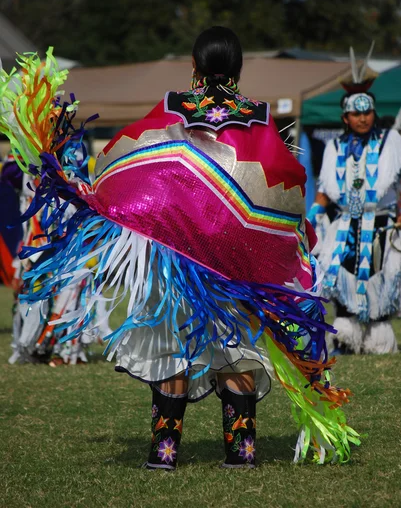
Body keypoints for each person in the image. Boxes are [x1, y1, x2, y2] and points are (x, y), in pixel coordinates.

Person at [0, 31, 358, 469]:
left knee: (171, 341)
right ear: (240, 67)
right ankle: (241, 452)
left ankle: (164, 453)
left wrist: (100, 193)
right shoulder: (258, 116)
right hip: (235, 257)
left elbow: (131, 157)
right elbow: (283, 183)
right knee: (237, 345)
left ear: (194, 64)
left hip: (175, 253)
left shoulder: (173, 109)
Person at [308, 49, 401, 354]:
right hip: (345, 225)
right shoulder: (334, 146)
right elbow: (324, 188)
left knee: (381, 281)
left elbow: (397, 181)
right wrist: (312, 218)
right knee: (340, 277)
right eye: (356, 114)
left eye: (368, 112)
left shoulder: (391, 141)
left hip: (382, 224)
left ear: (374, 113)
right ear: (345, 117)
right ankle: (346, 338)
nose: (363, 118)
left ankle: (378, 340)